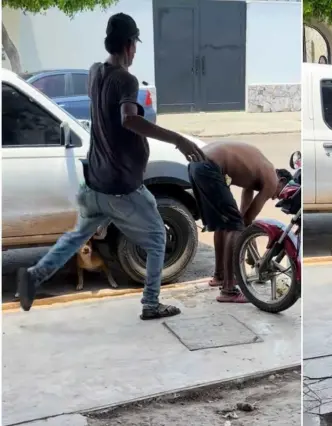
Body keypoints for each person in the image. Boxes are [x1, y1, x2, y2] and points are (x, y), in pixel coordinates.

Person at [16, 13, 206, 320]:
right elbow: (128, 118)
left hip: (95, 182)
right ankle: (151, 303)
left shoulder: (95, 72)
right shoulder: (125, 80)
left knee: (77, 237)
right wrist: (177, 140)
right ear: (130, 45)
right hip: (121, 186)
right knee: (158, 236)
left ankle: (34, 276)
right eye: (135, 45)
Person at [188, 141, 292, 303]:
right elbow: (245, 221)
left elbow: (244, 217)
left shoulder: (256, 172)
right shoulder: (271, 178)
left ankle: (220, 276)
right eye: (280, 195)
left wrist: (248, 246)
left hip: (196, 163)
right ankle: (229, 290)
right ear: (282, 180)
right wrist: (254, 255)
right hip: (210, 166)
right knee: (232, 225)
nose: (274, 198)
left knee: (225, 223)